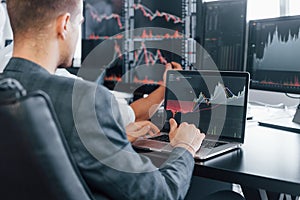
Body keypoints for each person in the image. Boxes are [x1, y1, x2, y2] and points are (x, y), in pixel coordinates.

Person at [3, 0, 205, 199]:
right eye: (80, 23)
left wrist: (111, 140)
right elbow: (159, 194)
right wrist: (184, 147)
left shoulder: (9, 90)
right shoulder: (83, 100)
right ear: (64, 25)